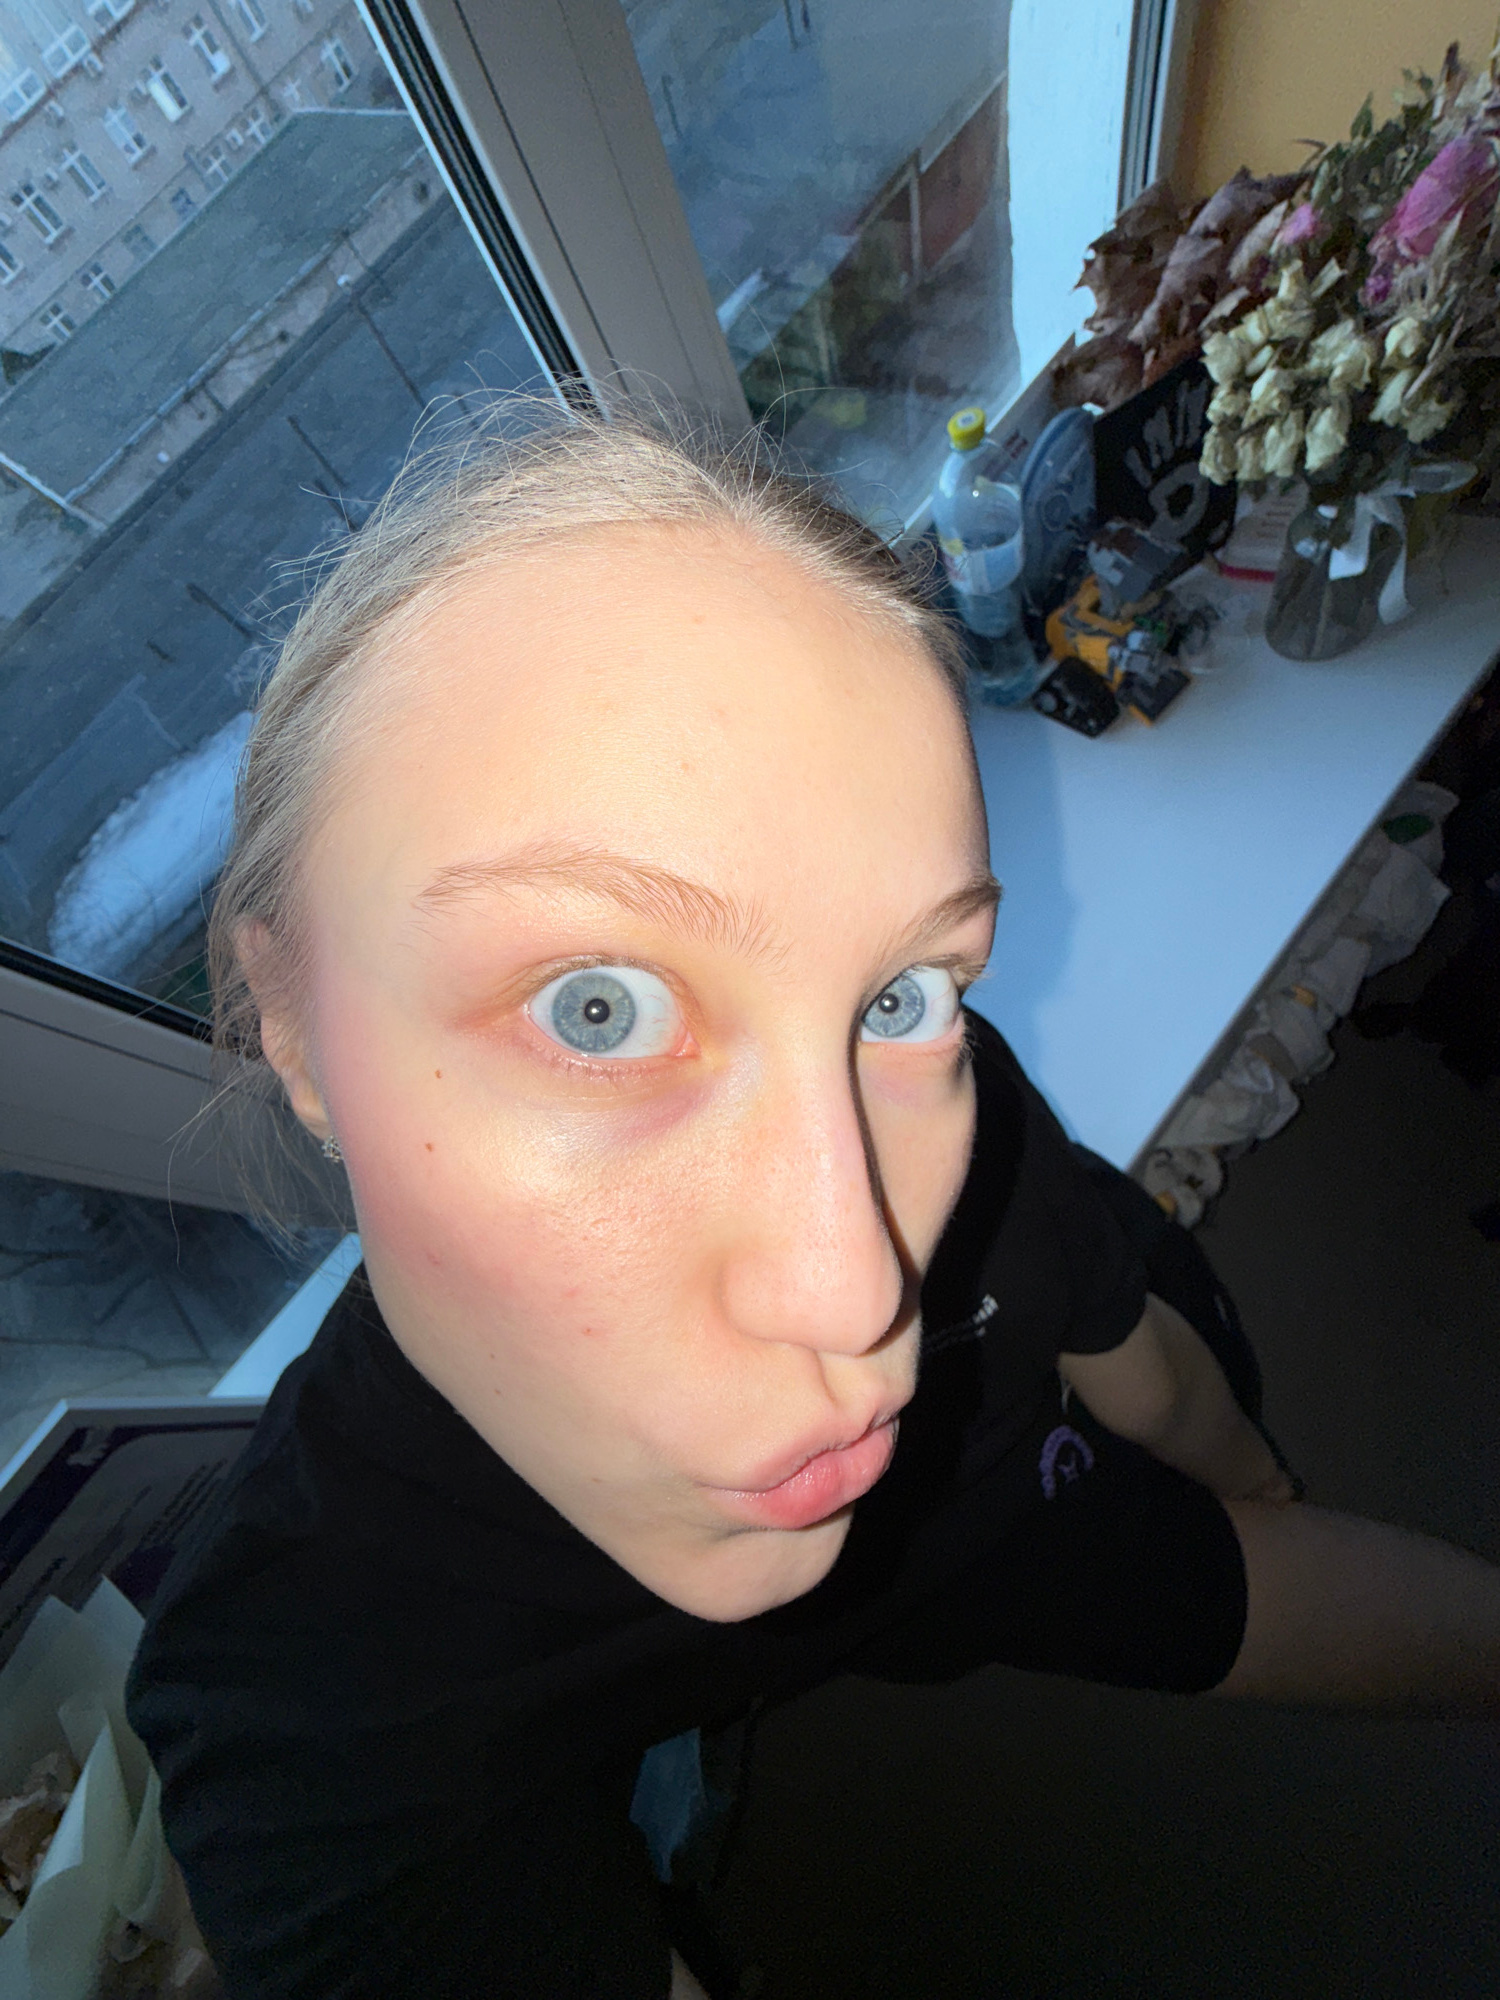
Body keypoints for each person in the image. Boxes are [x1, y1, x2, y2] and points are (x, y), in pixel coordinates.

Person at [126, 408, 1500, 2000]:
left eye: (904, 993)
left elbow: (1137, 1353)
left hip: (993, 1516)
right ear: (295, 1024)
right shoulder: (301, 1706)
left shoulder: (962, 1121)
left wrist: (1251, 1484)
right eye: (597, 1010)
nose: (865, 1297)